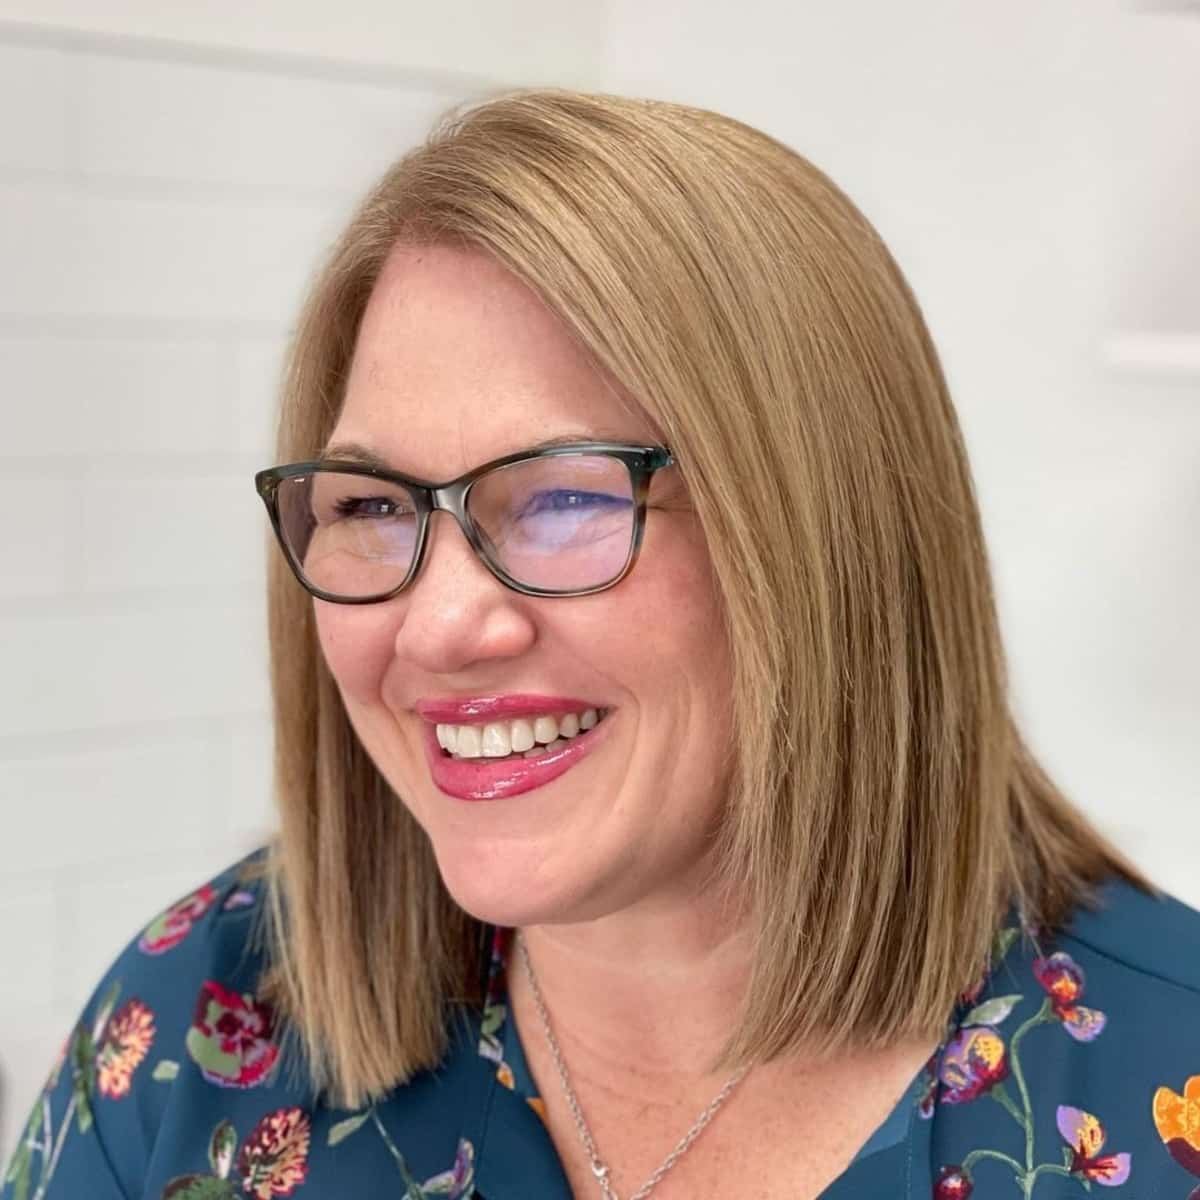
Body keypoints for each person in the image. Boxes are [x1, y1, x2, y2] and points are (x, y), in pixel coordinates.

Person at [3, 88, 1198, 1200]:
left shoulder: (1165, 1092)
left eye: (567, 496)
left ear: (824, 542)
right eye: (371, 505)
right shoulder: (197, 1028)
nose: (439, 625)